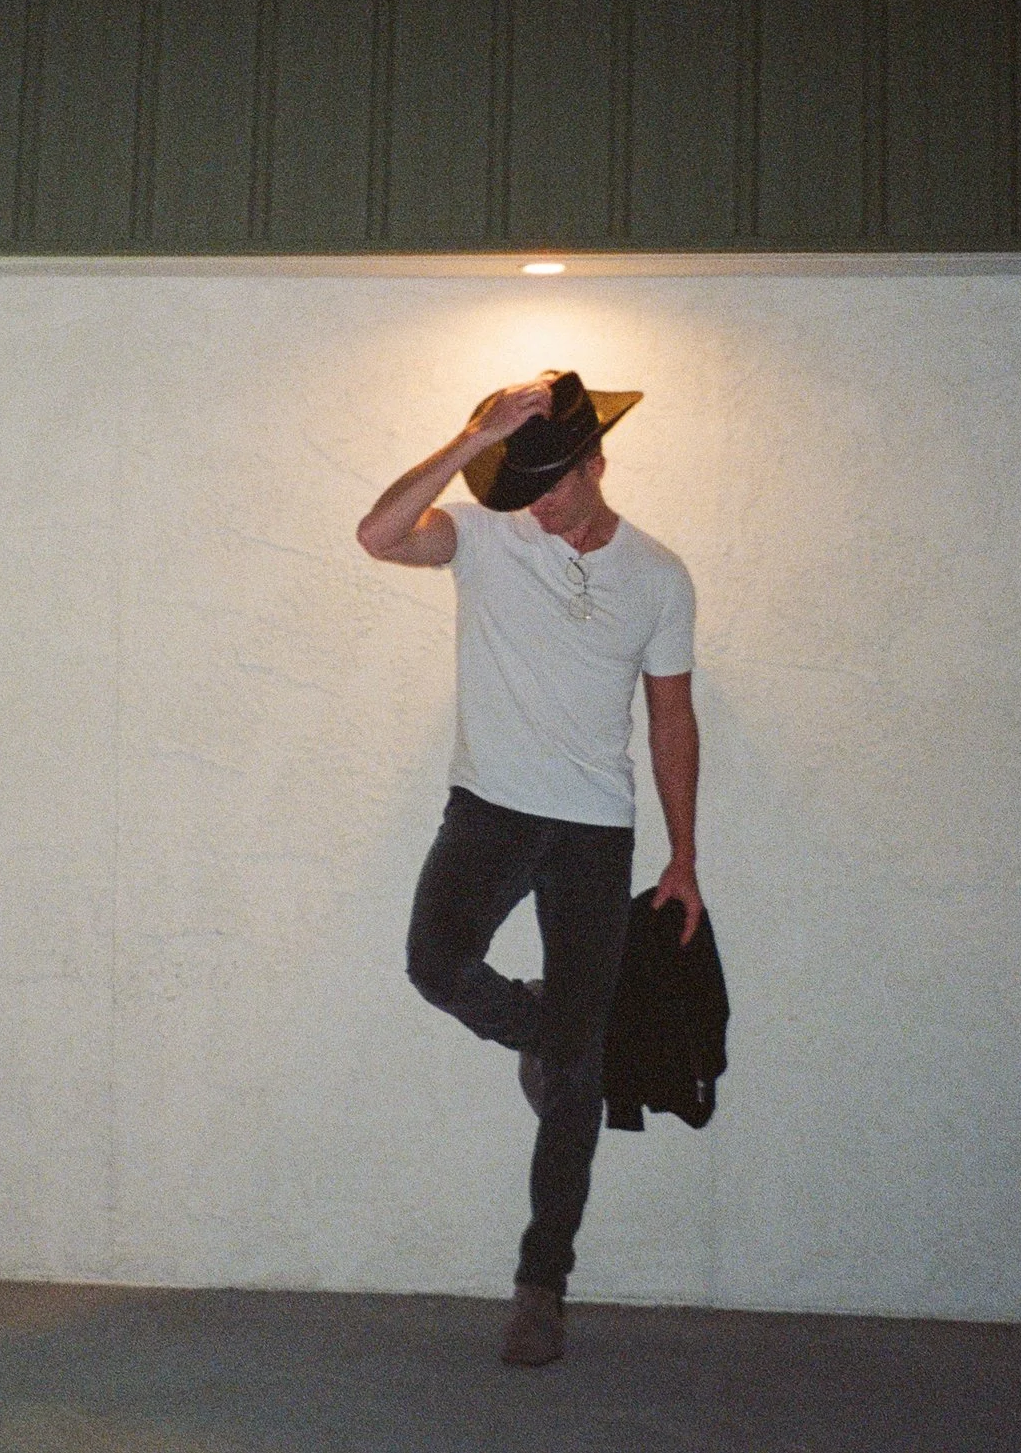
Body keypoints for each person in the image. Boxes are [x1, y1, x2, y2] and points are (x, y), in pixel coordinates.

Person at [355, 370, 702, 1368]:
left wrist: (683, 854)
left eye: (555, 480)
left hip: (595, 828)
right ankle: (549, 1028)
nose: (540, 501)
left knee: (578, 1074)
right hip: (491, 812)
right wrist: (472, 440)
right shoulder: (481, 534)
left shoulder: (659, 574)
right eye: (524, 481)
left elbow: (670, 715)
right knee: (437, 966)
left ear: (598, 462)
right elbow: (379, 535)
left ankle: (542, 1285)